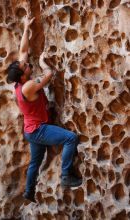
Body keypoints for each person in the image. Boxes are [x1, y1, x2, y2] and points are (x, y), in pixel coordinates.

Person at [6, 15, 82, 203]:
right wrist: (42, 63)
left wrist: (25, 27)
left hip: (31, 130)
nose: (27, 64)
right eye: (26, 66)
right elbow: (49, 74)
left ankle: (29, 192)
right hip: (39, 130)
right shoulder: (28, 86)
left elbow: (23, 50)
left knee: (35, 162)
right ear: (23, 76)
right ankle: (66, 175)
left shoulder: (19, 82)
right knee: (70, 138)